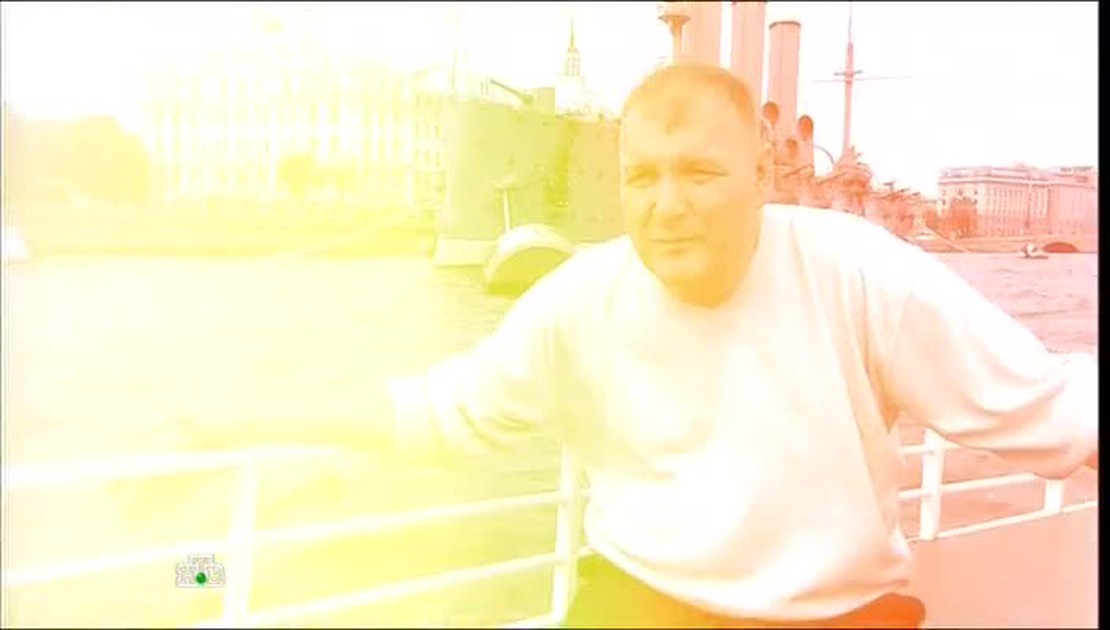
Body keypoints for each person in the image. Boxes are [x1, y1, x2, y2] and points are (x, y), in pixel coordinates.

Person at [209, 63, 1098, 627]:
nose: (668, 206)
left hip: (832, 614)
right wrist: (261, 413)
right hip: (640, 601)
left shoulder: (860, 273)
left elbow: (1042, 403)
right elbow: (450, 410)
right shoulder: (579, 300)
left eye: (701, 173)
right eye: (642, 176)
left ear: (762, 174)